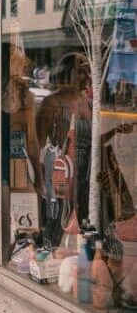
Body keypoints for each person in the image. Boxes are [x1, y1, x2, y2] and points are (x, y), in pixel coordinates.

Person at [36, 52, 133, 246]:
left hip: (89, 176)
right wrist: (40, 182)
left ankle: (91, 262)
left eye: (88, 72)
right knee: (54, 226)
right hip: (62, 176)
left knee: (93, 226)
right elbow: (37, 146)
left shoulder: (89, 104)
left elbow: (93, 142)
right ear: (68, 74)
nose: (88, 77)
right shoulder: (52, 104)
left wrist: (114, 131)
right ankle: (46, 258)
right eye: (82, 72)